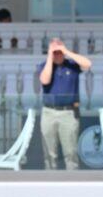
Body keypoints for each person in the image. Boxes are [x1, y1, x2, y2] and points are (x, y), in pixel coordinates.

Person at [38, 37, 92, 170]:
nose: (58, 54)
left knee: (71, 153)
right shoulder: (44, 65)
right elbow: (45, 80)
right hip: (49, 112)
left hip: (69, 113)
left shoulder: (72, 65)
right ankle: (50, 183)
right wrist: (50, 56)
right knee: (50, 154)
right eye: (54, 52)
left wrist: (66, 51)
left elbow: (87, 64)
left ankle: (72, 184)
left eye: (59, 51)